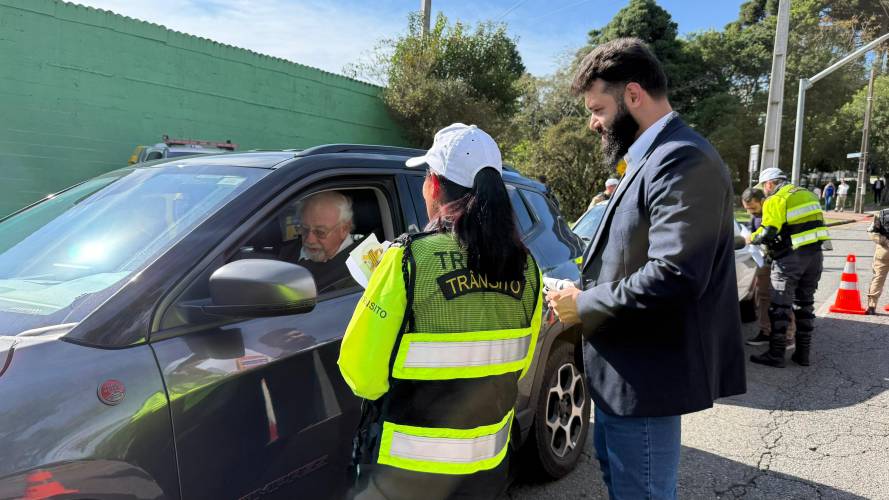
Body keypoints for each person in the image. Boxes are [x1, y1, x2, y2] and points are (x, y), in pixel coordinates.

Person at [546, 38, 746, 500]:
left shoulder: (681, 158)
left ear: (633, 95)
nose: (594, 123)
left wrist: (584, 303)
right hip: (623, 377)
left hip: (646, 381)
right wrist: (582, 288)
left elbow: (675, 273)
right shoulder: (649, 158)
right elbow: (633, 254)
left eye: (598, 108)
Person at [338, 123, 542, 500]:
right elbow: (520, 364)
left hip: (406, 479)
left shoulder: (407, 259)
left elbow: (361, 375)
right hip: (488, 473)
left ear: (433, 185)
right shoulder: (529, 268)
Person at [748, 168, 830, 368]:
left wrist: (751, 238)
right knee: (804, 305)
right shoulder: (808, 194)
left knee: (780, 307)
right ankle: (802, 354)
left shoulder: (776, 199)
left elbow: (768, 232)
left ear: (769, 184)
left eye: (764, 187)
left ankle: (776, 355)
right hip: (815, 257)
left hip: (790, 258)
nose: (764, 192)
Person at [741, 188, 796, 349]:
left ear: (762, 201)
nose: (749, 211)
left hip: (781, 260)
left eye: (752, 207)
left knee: (782, 297)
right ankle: (766, 332)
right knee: (764, 297)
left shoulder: (773, 211)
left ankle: (788, 336)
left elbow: (771, 234)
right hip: (763, 259)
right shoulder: (755, 216)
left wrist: (754, 239)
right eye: (746, 208)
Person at [293, 191, 363, 292]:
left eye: (320, 232)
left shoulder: (358, 272)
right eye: (304, 229)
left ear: (344, 229)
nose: (309, 240)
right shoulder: (287, 250)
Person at [866, 208, 889, 314]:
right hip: (884, 251)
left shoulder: (882, 213)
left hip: (883, 251)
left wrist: (884, 241)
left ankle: (871, 306)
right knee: (878, 278)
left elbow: (872, 232)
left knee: (878, 278)